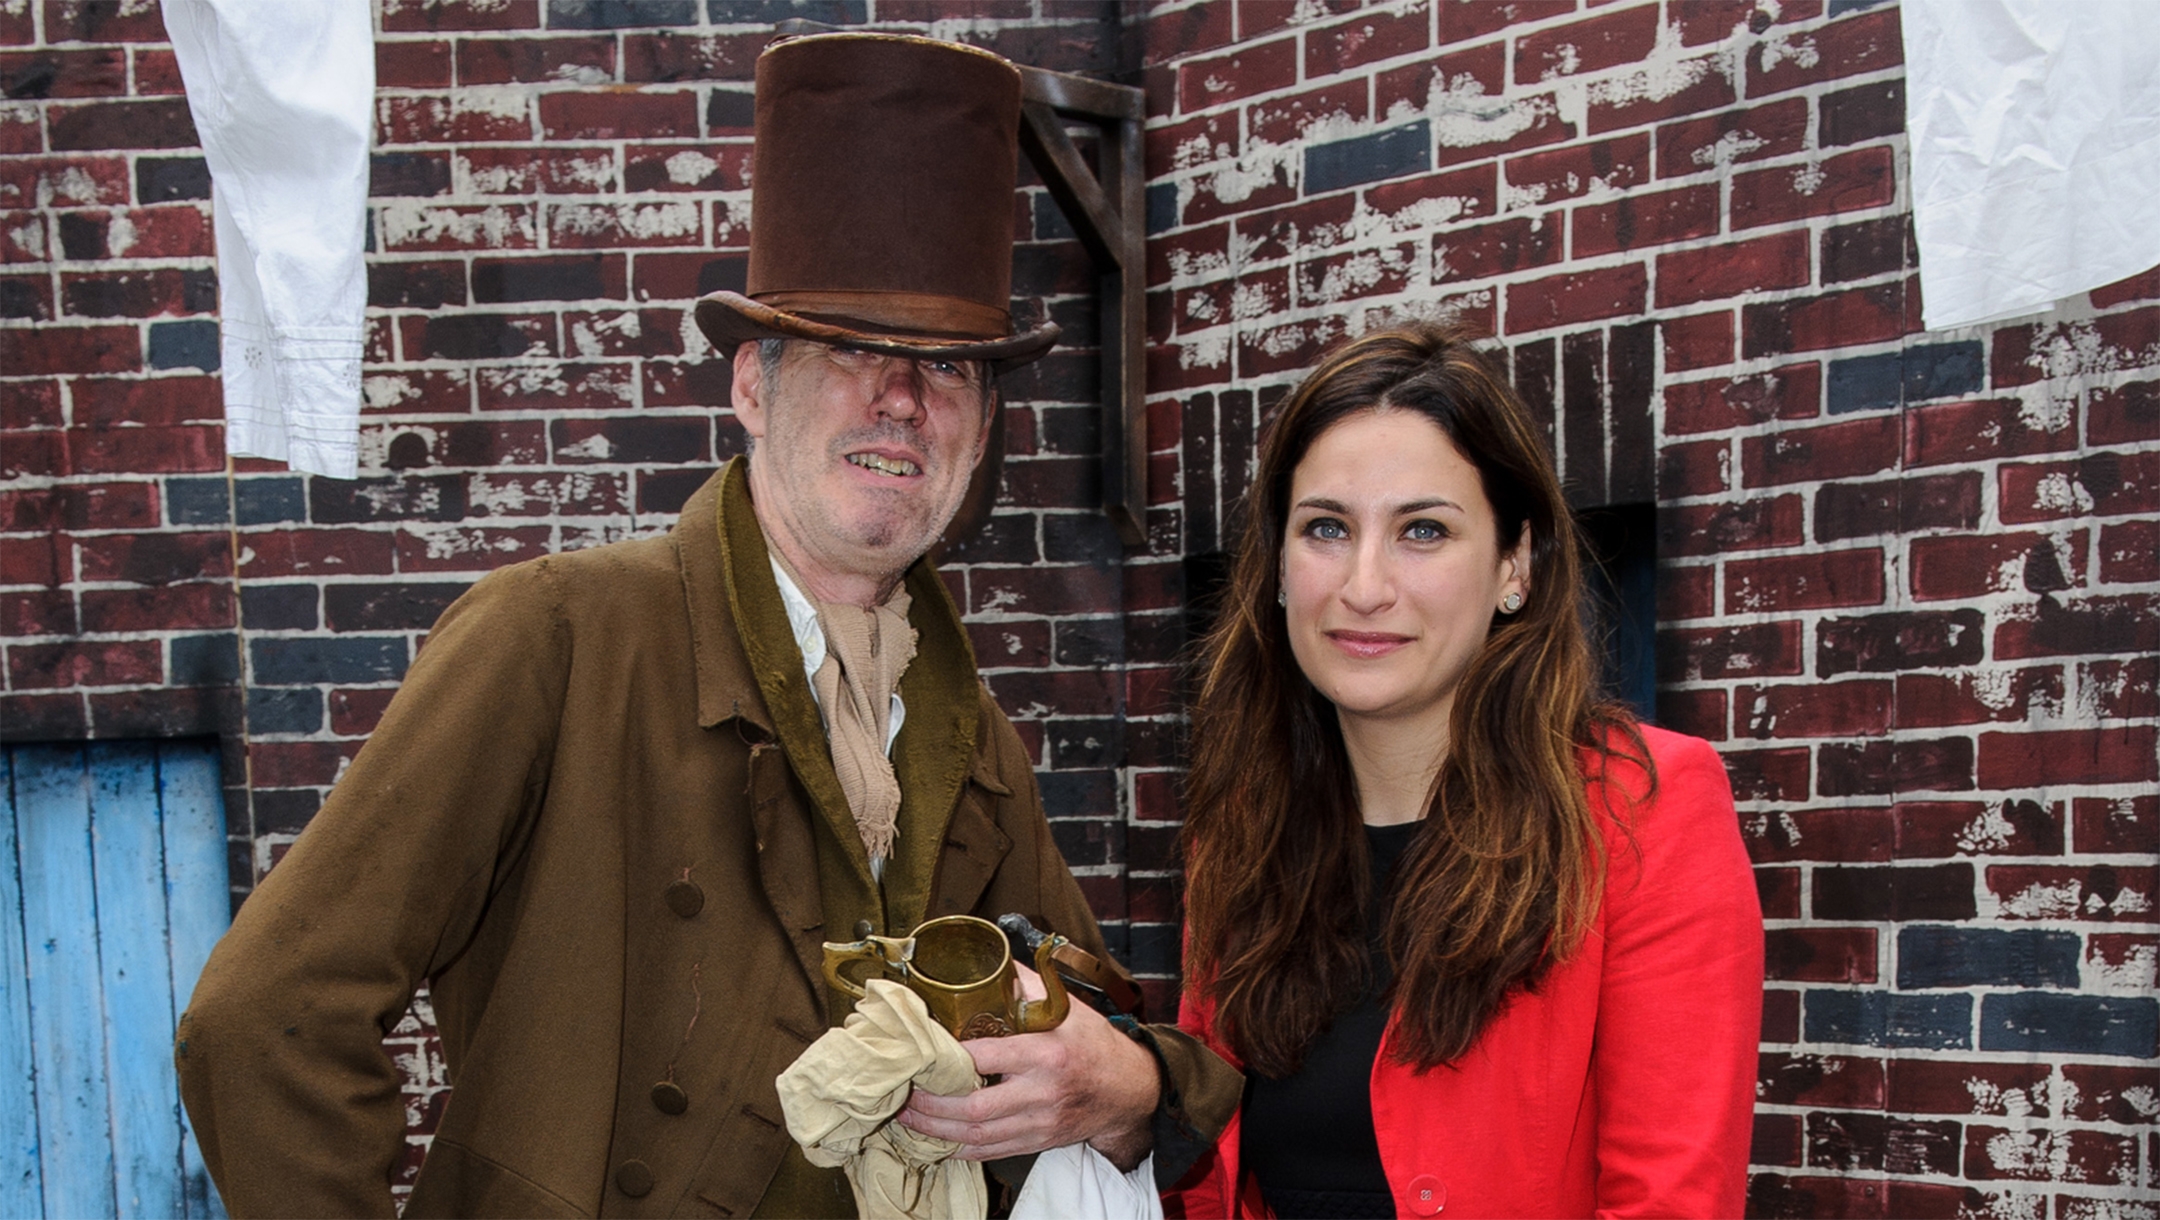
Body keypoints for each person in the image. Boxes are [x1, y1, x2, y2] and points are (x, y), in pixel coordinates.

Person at [176, 31, 1236, 1218]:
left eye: (948, 369)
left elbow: (1112, 1040)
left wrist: (1129, 1079)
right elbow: (266, 1020)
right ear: (749, 383)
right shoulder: (558, 639)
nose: (901, 398)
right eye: (850, 348)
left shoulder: (968, 734)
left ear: (981, 431)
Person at [1164, 322, 1764, 1219]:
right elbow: (1213, 1178)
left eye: (1424, 531)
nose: (1364, 585)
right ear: (1280, 570)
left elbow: (1671, 1199)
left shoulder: (1642, 807)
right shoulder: (1242, 833)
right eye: (1326, 527)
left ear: (1513, 567)